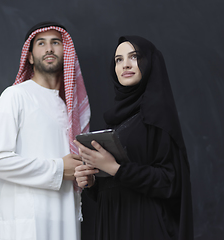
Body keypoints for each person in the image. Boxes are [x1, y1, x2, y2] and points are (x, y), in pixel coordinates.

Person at [74, 36, 193, 240]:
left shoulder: (157, 115)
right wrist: (92, 182)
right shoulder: (115, 120)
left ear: (149, 63)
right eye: (119, 59)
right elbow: (113, 187)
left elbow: (171, 182)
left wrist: (116, 168)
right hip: (113, 222)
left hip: (145, 224)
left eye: (134, 57)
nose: (125, 64)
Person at [0, 22, 90, 240]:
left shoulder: (70, 110)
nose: (49, 48)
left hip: (66, 221)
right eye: (41, 43)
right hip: (29, 224)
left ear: (66, 51)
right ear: (30, 56)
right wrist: (59, 168)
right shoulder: (15, 96)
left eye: (55, 42)